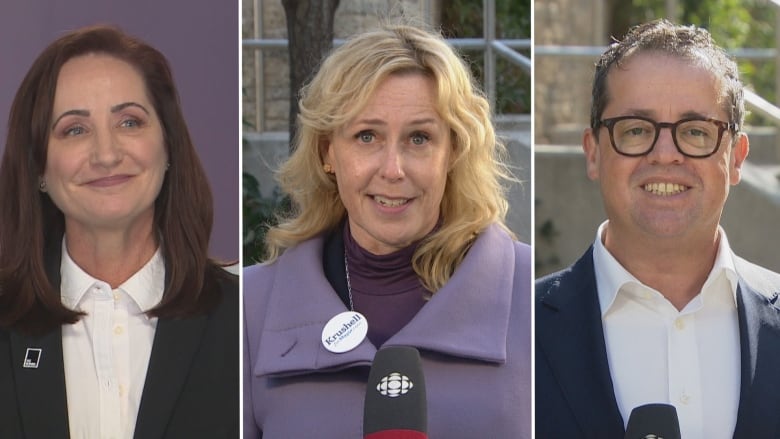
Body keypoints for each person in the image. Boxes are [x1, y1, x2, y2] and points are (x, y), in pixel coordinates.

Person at [244, 24, 531, 438]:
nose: (393, 170)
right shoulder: (252, 310)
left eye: (419, 138)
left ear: (452, 151)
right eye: (367, 136)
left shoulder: (529, 296)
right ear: (328, 152)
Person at [536, 19, 780, 438]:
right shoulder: (523, 327)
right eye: (635, 130)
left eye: (695, 131)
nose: (665, 154)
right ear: (593, 153)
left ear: (736, 158)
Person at [0, 25, 238, 438]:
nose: (107, 154)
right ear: (39, 166)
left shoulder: (244, 318)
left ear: (167, 148)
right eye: (75, 129)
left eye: (129, 122)